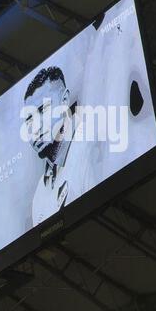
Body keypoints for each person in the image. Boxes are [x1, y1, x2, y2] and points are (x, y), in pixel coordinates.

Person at [24, 66, 96, 228]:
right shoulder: (38, 195)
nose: (35, 127)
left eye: (43, 110)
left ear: (64, 101)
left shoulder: (91, 145)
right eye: (29, 119)